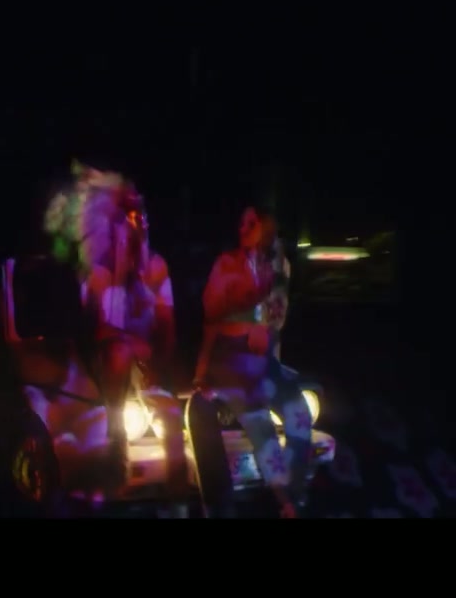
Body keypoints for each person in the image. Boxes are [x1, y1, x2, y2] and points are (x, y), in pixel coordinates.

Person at [45, 162, 189, 517]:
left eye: (140, 216)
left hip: (142, 362)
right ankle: (113, 460)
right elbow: (100, 331)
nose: (136, 224)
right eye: (127, 217)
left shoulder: (156, 267)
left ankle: (179, 502)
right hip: (106, 365)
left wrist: (156, 365)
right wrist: (121, 268)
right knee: (119, 353)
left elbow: (167, 329)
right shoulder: (97, 272)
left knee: (171, 418)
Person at [193, 206, 312, 518]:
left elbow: (276, 319)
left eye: (252, 223)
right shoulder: (226, 264)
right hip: (232, 363)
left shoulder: (277, 267)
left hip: (263, 363)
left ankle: (293, 497)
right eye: (241, 224)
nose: (243, 229)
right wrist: (201, 373)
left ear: (266, 227)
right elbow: (212, 320)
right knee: (261, 425)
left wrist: (263, 327)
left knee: (300, 414)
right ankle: (286, 503)